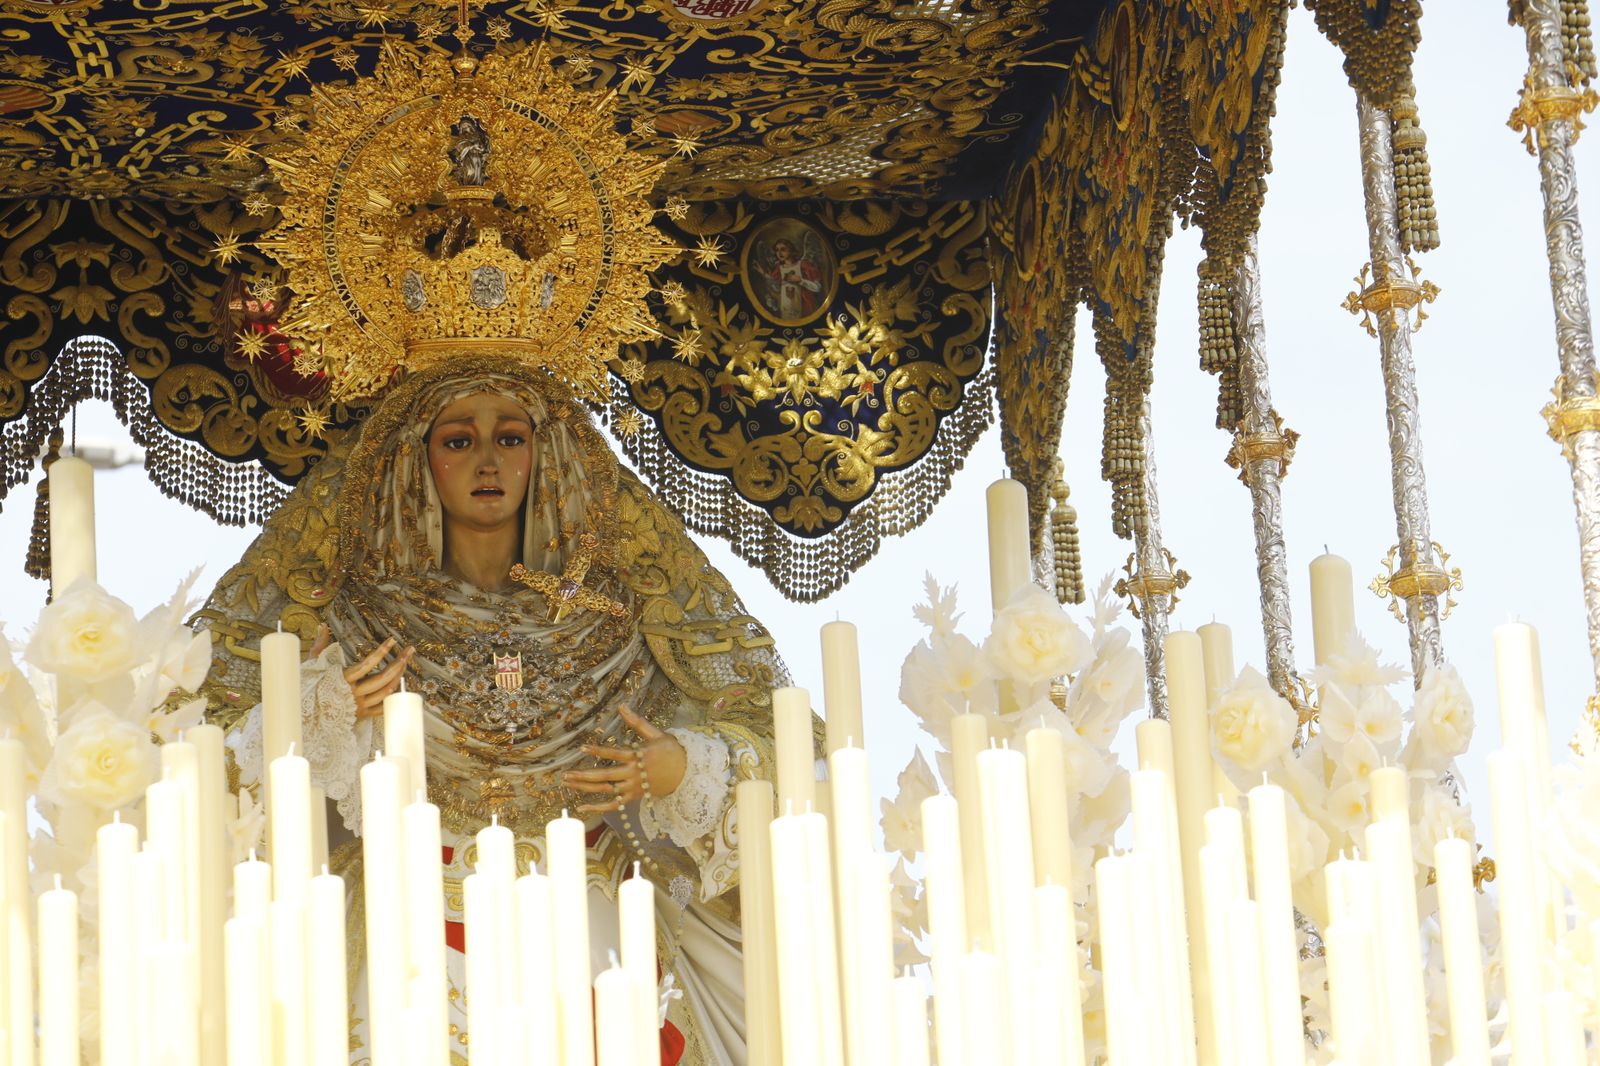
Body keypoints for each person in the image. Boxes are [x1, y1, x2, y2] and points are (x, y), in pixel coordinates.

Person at [196, 354, 794, 1065]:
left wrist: (681, 768)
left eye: (510, 437)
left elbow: (776, 738)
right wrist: (315, 716)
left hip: (590, 917)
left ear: (549, 454)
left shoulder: (621, 621)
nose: (487, 460)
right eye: (458, 440)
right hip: (408, 922)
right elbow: (202, 749)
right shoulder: (354, 621)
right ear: (415, 461)